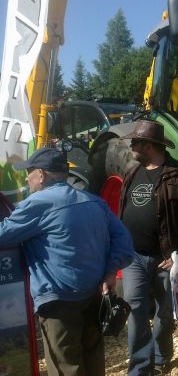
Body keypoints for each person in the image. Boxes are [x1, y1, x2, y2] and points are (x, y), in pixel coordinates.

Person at [0, 147, 134, 376]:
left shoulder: (37, 205)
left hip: (58, 304)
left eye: (29, 172)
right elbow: (125, 242)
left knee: (66, 366)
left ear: (41, 174)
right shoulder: (94, 202)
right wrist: (111, 271)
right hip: (94, 296)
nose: (26, 178)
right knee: (93, 362)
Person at [119, 120, 178, 375]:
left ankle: (160, 355)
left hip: (165, 259)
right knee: (135, 310)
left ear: (149, 145)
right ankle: (140, 368)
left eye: (136, 141)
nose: (132, 145)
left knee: (165, 313)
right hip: (133, 256)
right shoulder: (132, 172)